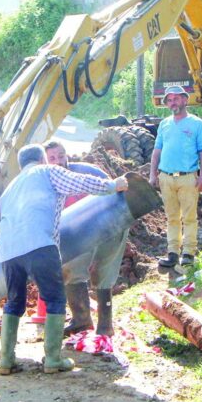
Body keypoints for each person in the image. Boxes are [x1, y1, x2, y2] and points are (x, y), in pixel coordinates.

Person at [0, 143, 128, 375]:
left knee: (14, 302)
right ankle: (53, 360)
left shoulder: (10, 188)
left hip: (7, 252)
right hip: (39, 244)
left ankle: (5, 360)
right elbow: (79, 182)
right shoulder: (47, 171)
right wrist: (112, 185)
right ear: (42, 159)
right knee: (55, 299)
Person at [45, 140, 127, 338]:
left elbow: (116, 193)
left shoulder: (86, 172)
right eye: (52, 158)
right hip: (76, 232)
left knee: (103, 272)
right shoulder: (47, 182)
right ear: (45, 162)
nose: (58, 161)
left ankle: (105, 326)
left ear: (67, 155)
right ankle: (81, 319)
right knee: (70, 269)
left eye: (61, 155)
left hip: (109, 224)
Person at [148, 85, 202, 268]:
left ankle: (189, 253)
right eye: (169, 100)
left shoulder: (197, 124)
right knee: (172, 217)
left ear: (184, 100)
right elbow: (156, 151)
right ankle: (173, 253)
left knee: (189, 217)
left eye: (175, 99)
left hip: (187, 177)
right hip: (166, 177)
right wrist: (153, 174)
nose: (172, 103)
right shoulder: (164, 124)